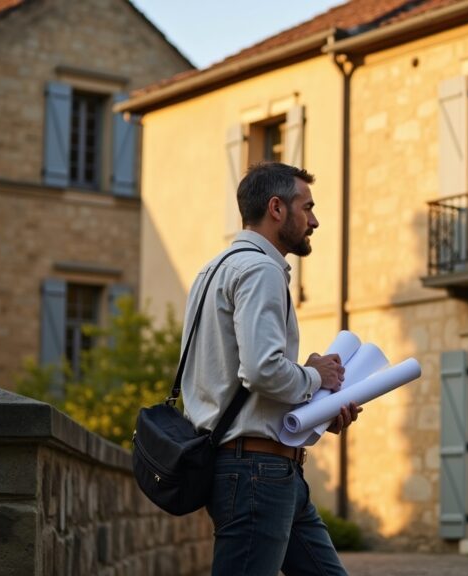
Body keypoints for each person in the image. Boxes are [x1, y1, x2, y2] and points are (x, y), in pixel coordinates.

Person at [180, 162, 359, 576]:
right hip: (257, 473)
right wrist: (318, 376)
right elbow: (261, 371)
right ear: (277, 208)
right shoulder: (261, 270)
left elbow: (234, 384)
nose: (314, 220)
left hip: (266, 470)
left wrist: (319, 411)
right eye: (307, 207)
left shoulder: (212, 270)